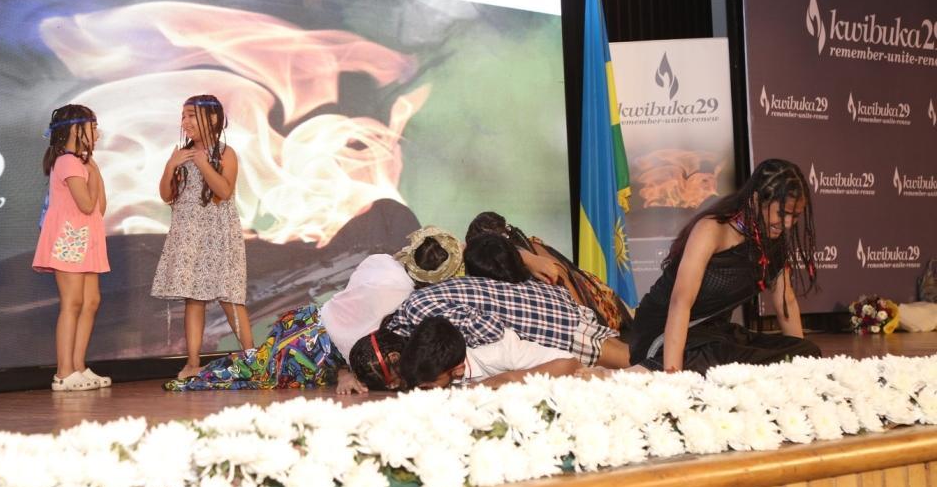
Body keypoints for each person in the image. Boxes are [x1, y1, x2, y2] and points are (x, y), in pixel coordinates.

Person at [162, 225, 464, 392]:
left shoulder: (382, 261)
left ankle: (195, 376)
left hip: (305, 321)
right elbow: (363, 339)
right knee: (252, 373)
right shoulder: (404, 297)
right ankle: (192, 380)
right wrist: (347, 372)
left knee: (254, 367)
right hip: (317, 352)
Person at [351, 234, 625, 389]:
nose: (395, 386)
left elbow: (491, 329)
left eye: (394, 379)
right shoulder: (408, 316)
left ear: (396, 356)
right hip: (545, 307)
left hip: (547, 324)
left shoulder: (419, 313)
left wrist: (457, 349)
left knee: (632, 366)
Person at [628, 158, 821, 374]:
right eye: (782, 213)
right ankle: (647, 369)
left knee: (807, 352)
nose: (787, 224)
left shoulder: (774, 241)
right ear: (756, 200)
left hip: (716, 335)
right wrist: (673, 375)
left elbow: (786, 301)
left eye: (795, 216)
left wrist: (800, 363)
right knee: (717, 363)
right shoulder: (712, 230)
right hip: (665, 334)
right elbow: (680, 302)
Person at [151, 94, 254, 380]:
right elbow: (167, 195)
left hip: (218, 235)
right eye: (183, 116)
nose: (185, 122)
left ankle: (252, 359)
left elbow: (224, 191)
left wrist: (203, 163)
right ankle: (192, 363)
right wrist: (171, 165)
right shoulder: (181, 154)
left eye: (191, 116)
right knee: (193, 298)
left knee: (229, 296)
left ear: (212, 119)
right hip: (189, 234)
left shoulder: (225, 153)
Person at [33, 104, 110, 391]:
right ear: (77, 130)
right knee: (72, 302)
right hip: (70, 239)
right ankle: (63, 372)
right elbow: (87, 204)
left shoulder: (83, 163)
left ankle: (78, 366)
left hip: (86, 240)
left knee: (91, 301)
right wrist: (93, 171)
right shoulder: (67, 162)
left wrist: (94, 170)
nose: (97, 133)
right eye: (93, 127)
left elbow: (99, 208)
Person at [466, 211, 630, 331]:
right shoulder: (532, 246)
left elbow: (585, 321)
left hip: (606, 329)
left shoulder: (539, 272)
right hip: (613, 315)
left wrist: (525, 257)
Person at [399, 316, 583, 390]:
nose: (421, 393)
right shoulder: (418, 365)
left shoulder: (497, 352)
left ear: (458, 370)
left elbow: (570, 364)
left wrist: (494, 383)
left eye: (428, 388)